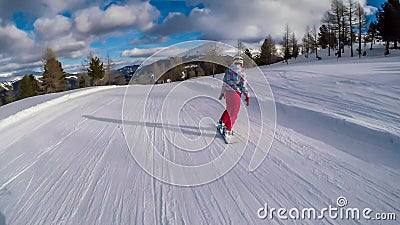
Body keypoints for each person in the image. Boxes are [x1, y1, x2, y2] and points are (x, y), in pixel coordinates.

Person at [218, 55, 250, 138]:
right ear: (241, 63)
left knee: (229, 109)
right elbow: (243, 86)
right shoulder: (241, 72)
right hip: (235, 93)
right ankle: (228, 130)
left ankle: (222, 122)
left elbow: (224, 83)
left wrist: (222, 93)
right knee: (234, 112)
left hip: (227, 93)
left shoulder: (228, 71)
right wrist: (247, 96)